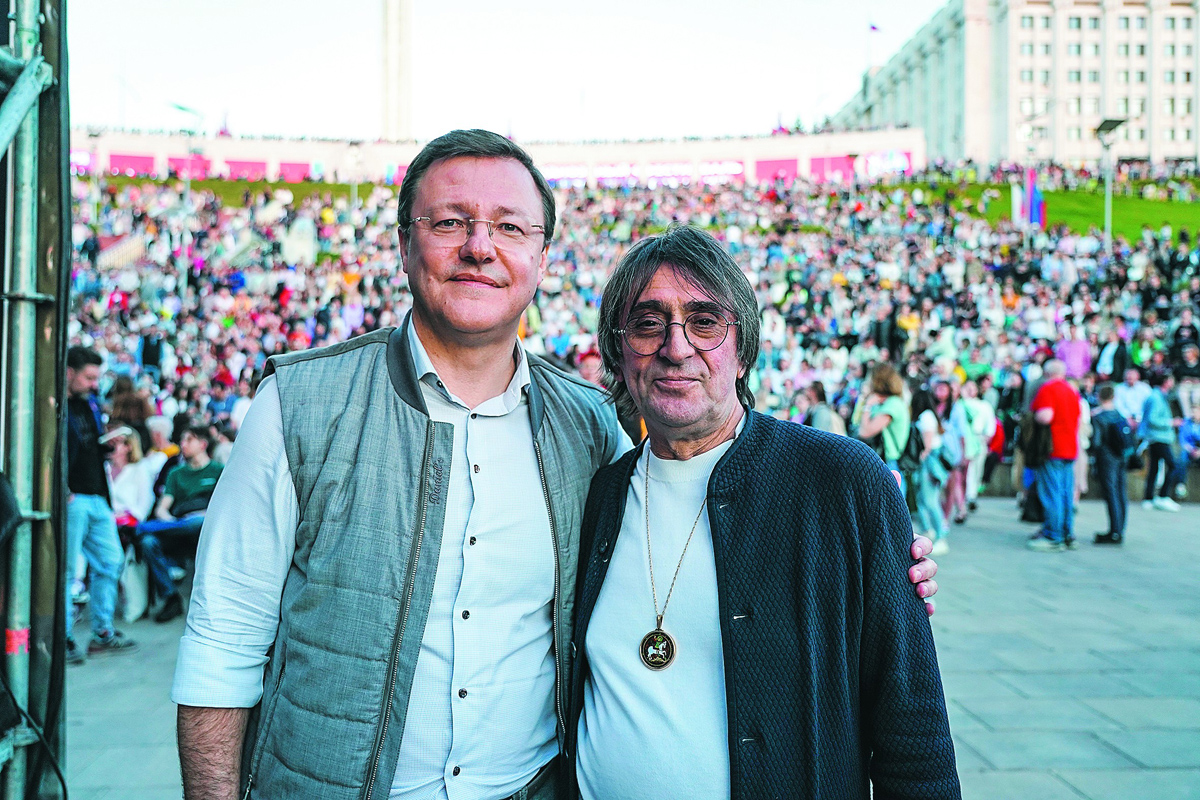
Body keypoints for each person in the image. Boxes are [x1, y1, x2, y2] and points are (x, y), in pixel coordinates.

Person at [171, 130, 940, 800]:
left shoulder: (592, 428)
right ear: (405, 245)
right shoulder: (301, 405)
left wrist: (880, 566)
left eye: (509, 227)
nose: (480, 246)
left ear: (541, 257)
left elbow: (908, 728)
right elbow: (221, 642)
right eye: (450, 222)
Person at [569, 226, 958, 800]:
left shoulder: (841, 482)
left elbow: (913, 728)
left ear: (744, 350)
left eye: (705, 322)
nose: (676, 347)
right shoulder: (600, 494)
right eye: (648, 324)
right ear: (618, 353)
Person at [65, 346, 138, 663]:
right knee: (69, 572)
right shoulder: (57, 405)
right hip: (74, 496)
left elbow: (86, 446)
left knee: (110, 562)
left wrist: (105, 446)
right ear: (69, 373)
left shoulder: (89, 404)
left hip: (97, 495)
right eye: (89, 377)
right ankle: (63, 637)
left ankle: (102, 632)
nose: (95, 384)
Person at [137, 426, 224, 622]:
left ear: (202, 444)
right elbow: (162, 508)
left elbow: (224, 508)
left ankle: (142, 528)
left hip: (204, 528)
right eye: (182, 440)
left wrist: (200, 515)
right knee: (148, 543)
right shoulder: (175, 473)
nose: (182, 445)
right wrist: (173, 522)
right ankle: (171, 598)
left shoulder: (218, 471)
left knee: (198, 522)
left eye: (188, 440)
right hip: (178, 526)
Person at [1027, 360, 1082, 552]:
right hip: (1070, 448)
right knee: (1066, 493)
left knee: (1052, 493)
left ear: (1046, 373)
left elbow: (1046, 416)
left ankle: (1053, 535)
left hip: (1052, 449)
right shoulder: (1071, 391)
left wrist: (1033, 416)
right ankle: (1067, 534)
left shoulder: (1048, 389)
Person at [1090, 385, 1131, 545]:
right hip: (1121, 456)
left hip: (1107, 457)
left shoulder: (1099, 417)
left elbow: (1096, 442)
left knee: (1111, 492)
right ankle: (1119, 529)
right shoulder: (1119, 415)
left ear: (1099, 396)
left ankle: (1114, 531)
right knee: (1121, 491)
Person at [912, 388, 950, 555]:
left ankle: (941, 536)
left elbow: (927, 446)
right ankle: (930, 530)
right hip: (929, 460)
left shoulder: (926, 417)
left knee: (930, 501)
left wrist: (918, 460)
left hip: (929, 462)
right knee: (923, 499)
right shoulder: (929, 415)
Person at [1139, 372, 1182, 512]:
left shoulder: (1159, 396)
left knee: (1154, 468)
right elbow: (1153, 419)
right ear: (1166, 382)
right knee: (1172, 465)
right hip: (1158, 437)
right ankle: (1163, 496)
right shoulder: (1156, 398)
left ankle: (1149, 498)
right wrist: (1171, 422)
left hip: (1156, 437)